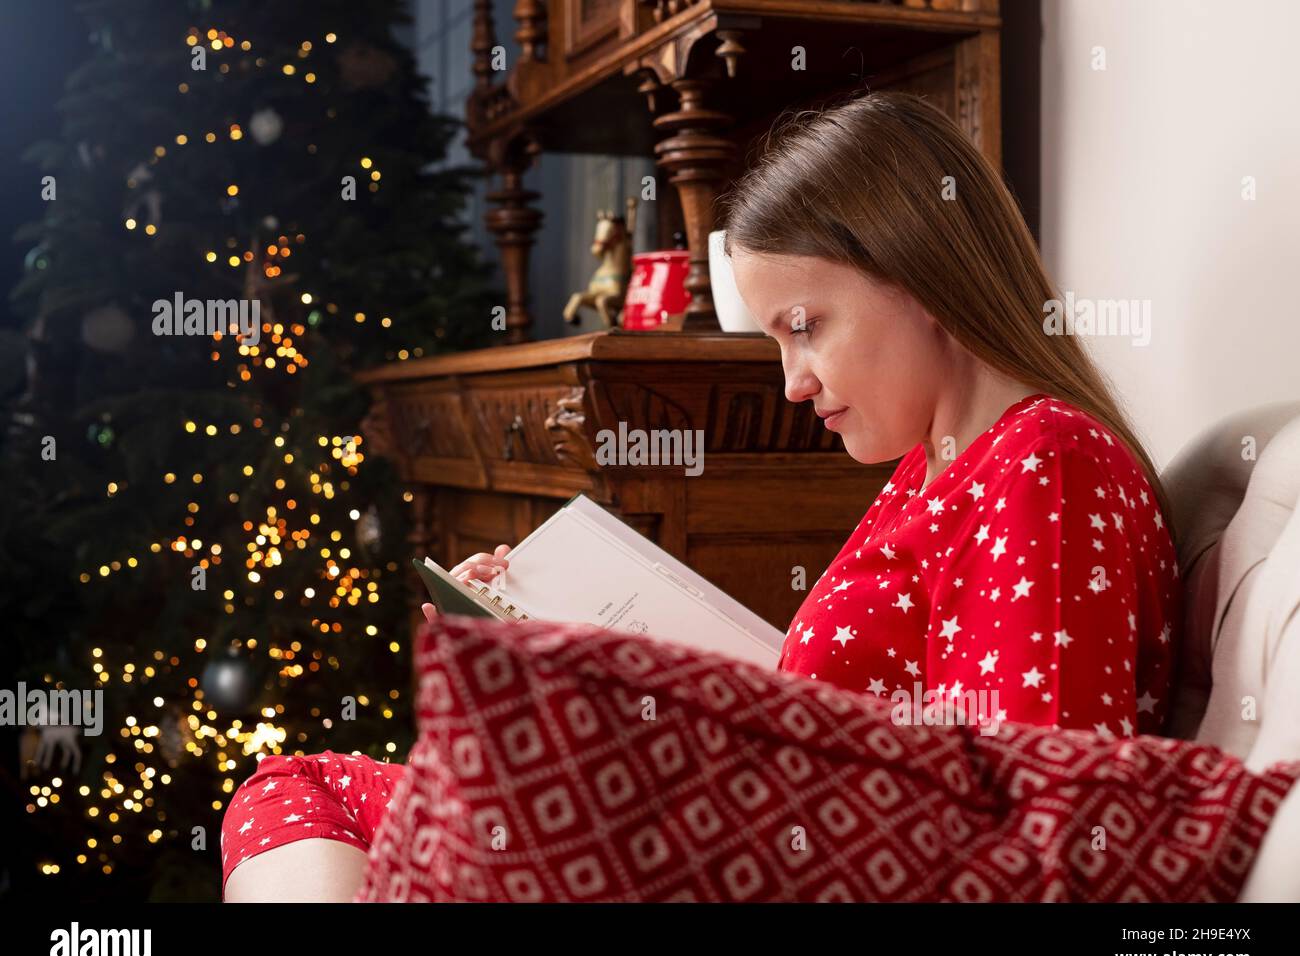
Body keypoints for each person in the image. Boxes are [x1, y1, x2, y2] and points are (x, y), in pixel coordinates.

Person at [221, 90, 1300, 902]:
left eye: (804, 325)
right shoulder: (932, 469)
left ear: (921, 276)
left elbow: (1020, 806)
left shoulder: (1042, 465)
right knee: (301, 786)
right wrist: (568, 642)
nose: (791, 384)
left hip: (762, 859)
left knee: (307, 787)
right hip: (749, 834)